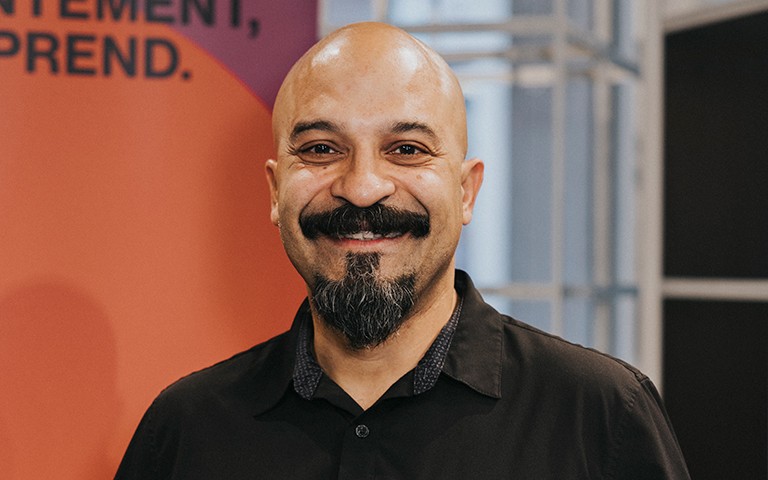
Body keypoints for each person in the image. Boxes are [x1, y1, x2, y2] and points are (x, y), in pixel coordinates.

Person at [115, 22, 690, 479]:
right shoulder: (186, 430)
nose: (362, 186)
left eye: (407, 149)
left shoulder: (600, 418)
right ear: (274, 191)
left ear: (466, 191)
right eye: (320, 148)